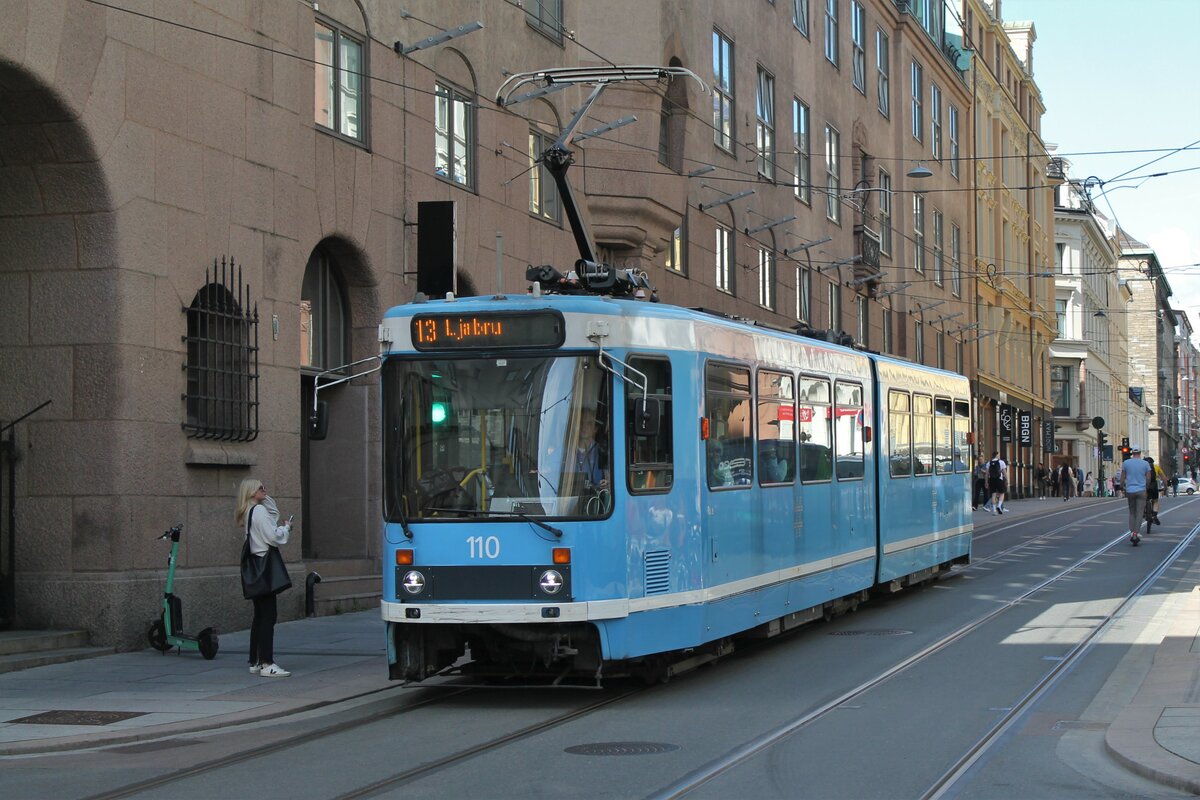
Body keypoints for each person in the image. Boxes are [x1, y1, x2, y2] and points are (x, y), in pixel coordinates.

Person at [236, 478, 293, 678]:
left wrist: (265, 498)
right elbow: (272, 536)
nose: (265, 490)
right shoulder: (258, 511)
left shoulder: (250, 510)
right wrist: (286, 529)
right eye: (261, 488)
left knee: (259, 616)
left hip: (255, 568)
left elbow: (273, 514)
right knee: (268, 617)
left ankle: (255, 660)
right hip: (265, 569)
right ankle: (267, 663)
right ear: (252, 492)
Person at [1117, 447, 1152, 543]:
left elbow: (1123, 476)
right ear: (1140, 453)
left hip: (1130, 490)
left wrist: (1121, 486)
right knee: (1139, 512)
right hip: (1141, 490)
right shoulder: (1145, 464)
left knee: (1132, 512)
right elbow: (1148, 477)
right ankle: (1136, 533)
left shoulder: (1126, 463)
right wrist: (1146, 486)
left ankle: (1132, 532)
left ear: (1132, 453)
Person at [574, 410, 609, 490]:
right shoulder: (564, 452)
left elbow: (609, 479)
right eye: (581, 422)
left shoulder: (602, 452)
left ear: (595, 429)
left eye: (589, 423)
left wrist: (607, 483)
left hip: (595, 500)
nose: (584, 426)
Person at [1145, 456, 1162, 525]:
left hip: (1145, 486)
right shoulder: (1156, 467)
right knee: (1155, 500)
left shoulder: (1141, 467)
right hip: (1154, 486)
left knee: (1143, 499)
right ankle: (1154, 515)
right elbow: (1163, 477)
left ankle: (1144, 512)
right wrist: (1166, 487)